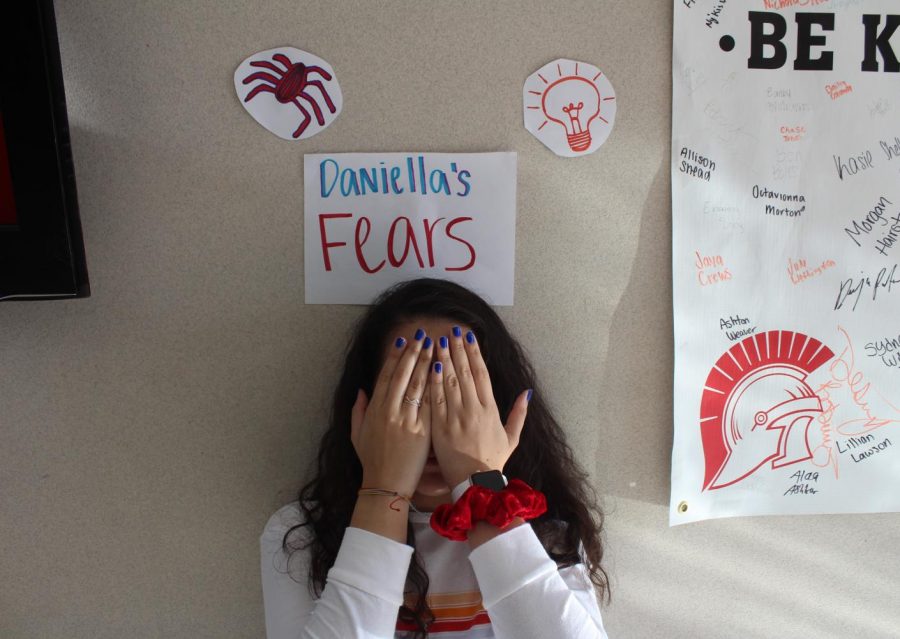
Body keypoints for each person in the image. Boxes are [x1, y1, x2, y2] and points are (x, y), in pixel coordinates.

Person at [260, 278, 610, 638]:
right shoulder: (301, 534)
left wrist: (481, 483)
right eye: (406, 393)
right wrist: (384, 488)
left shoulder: (546, 528)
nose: (434, 425)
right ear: (365, 409)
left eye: (460, 396)